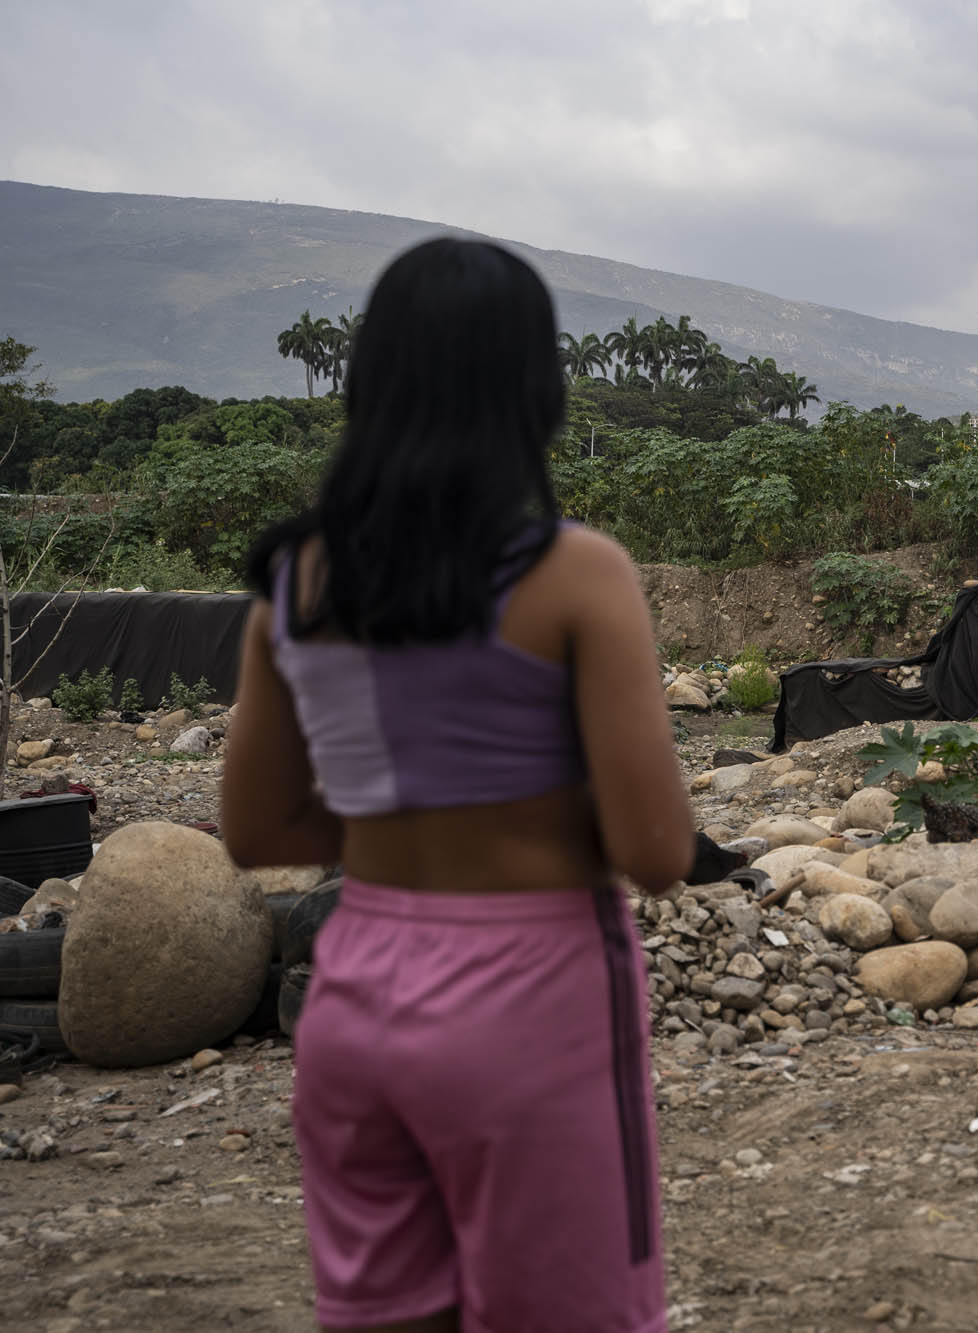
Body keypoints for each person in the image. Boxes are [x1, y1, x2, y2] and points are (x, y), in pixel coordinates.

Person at [222, 237, 694, 1333]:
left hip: (353, 997)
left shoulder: (294, 585)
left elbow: (256, 830)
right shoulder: (577, 573)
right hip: (530, 1000)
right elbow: (658, 851)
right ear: (534, 392)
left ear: (368, 382)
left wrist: (405, 807)